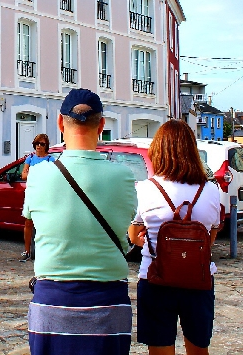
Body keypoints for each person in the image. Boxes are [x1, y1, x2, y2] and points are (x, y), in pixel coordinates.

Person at [23, 88, 136, 355]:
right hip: (108, 298)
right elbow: (127, 225)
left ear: (61, 123)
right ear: (102, 126)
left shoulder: (38, 176)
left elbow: (33, 220)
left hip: (53, 298)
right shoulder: (123, 176)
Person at [128, 120, 220, 355]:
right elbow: (211, 234)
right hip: (198, 280)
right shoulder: (210, 190)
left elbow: (133, 235)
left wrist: (144, 240)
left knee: (160, 350)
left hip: (156, 279)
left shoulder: (146, 189)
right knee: (199, 349)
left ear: (158, 150)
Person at [19, 133, 55, 262]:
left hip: (45, 194)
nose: (39, 146)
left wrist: (33, 173)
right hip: (31, 193)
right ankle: (27, 250)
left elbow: (52, 176)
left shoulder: (51, 159)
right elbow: (23, 175)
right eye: (37, 144)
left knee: (43, 223)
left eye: (42, 144)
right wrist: (39, 173)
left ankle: (43, 251)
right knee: (28, 222)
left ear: (46, 146)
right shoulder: (30, 158)